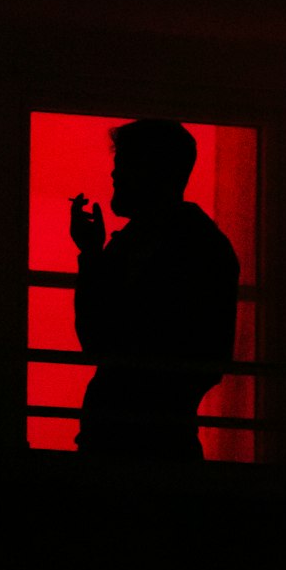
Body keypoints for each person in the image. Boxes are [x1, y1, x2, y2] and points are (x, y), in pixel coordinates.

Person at [69, 118, 240, 460]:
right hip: (154, 436)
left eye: (124, 166)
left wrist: (91, 259)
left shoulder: (180, 247)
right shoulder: (198, 244)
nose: (115, 176)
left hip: (135, 438)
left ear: (154, 172)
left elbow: (96, 338)